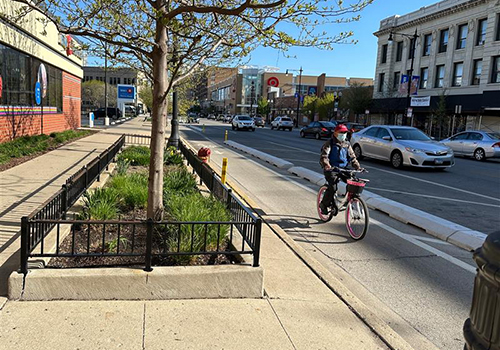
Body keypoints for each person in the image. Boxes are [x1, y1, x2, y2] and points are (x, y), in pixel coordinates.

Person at [319, 124, 362, 215]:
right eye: (341, 132)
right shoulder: (329, 143)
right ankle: (323, 204)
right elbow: (324, 156)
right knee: (332, 187)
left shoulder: (347, 144)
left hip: (343, 169)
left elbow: (352, 157)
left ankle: (348, 199)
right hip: (331, 169)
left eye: (345, 132)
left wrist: (357, 167)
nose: (343, 134)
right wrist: (327, 165)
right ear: (335, 133)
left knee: (353, 182)